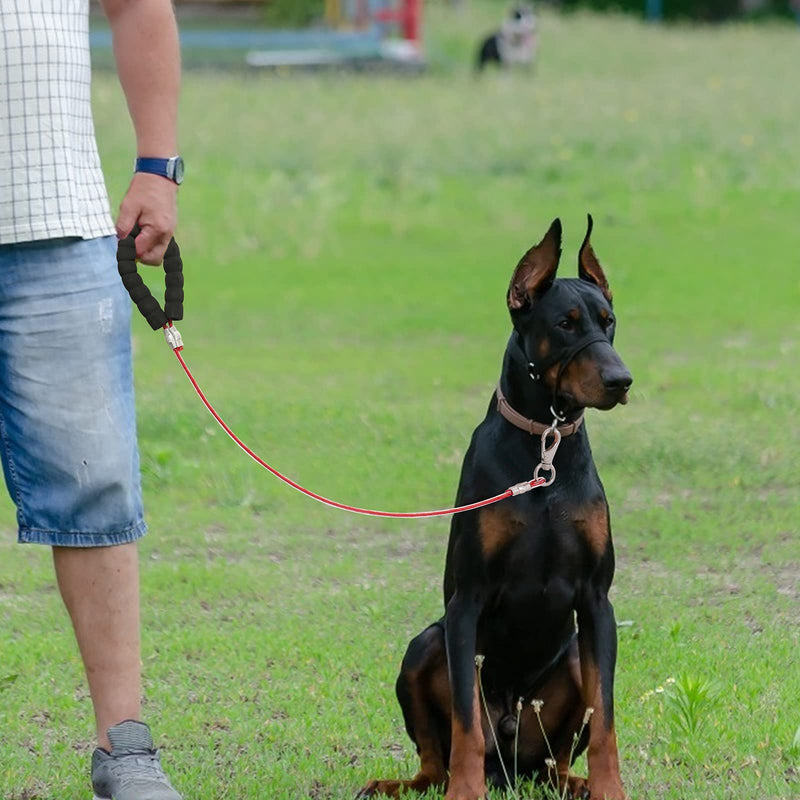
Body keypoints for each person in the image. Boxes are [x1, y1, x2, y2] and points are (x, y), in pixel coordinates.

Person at [1, 1, 183, 798]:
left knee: (94, 482)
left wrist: (158, 166)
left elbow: (139, 4)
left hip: (56, 219)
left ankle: (126, 750)